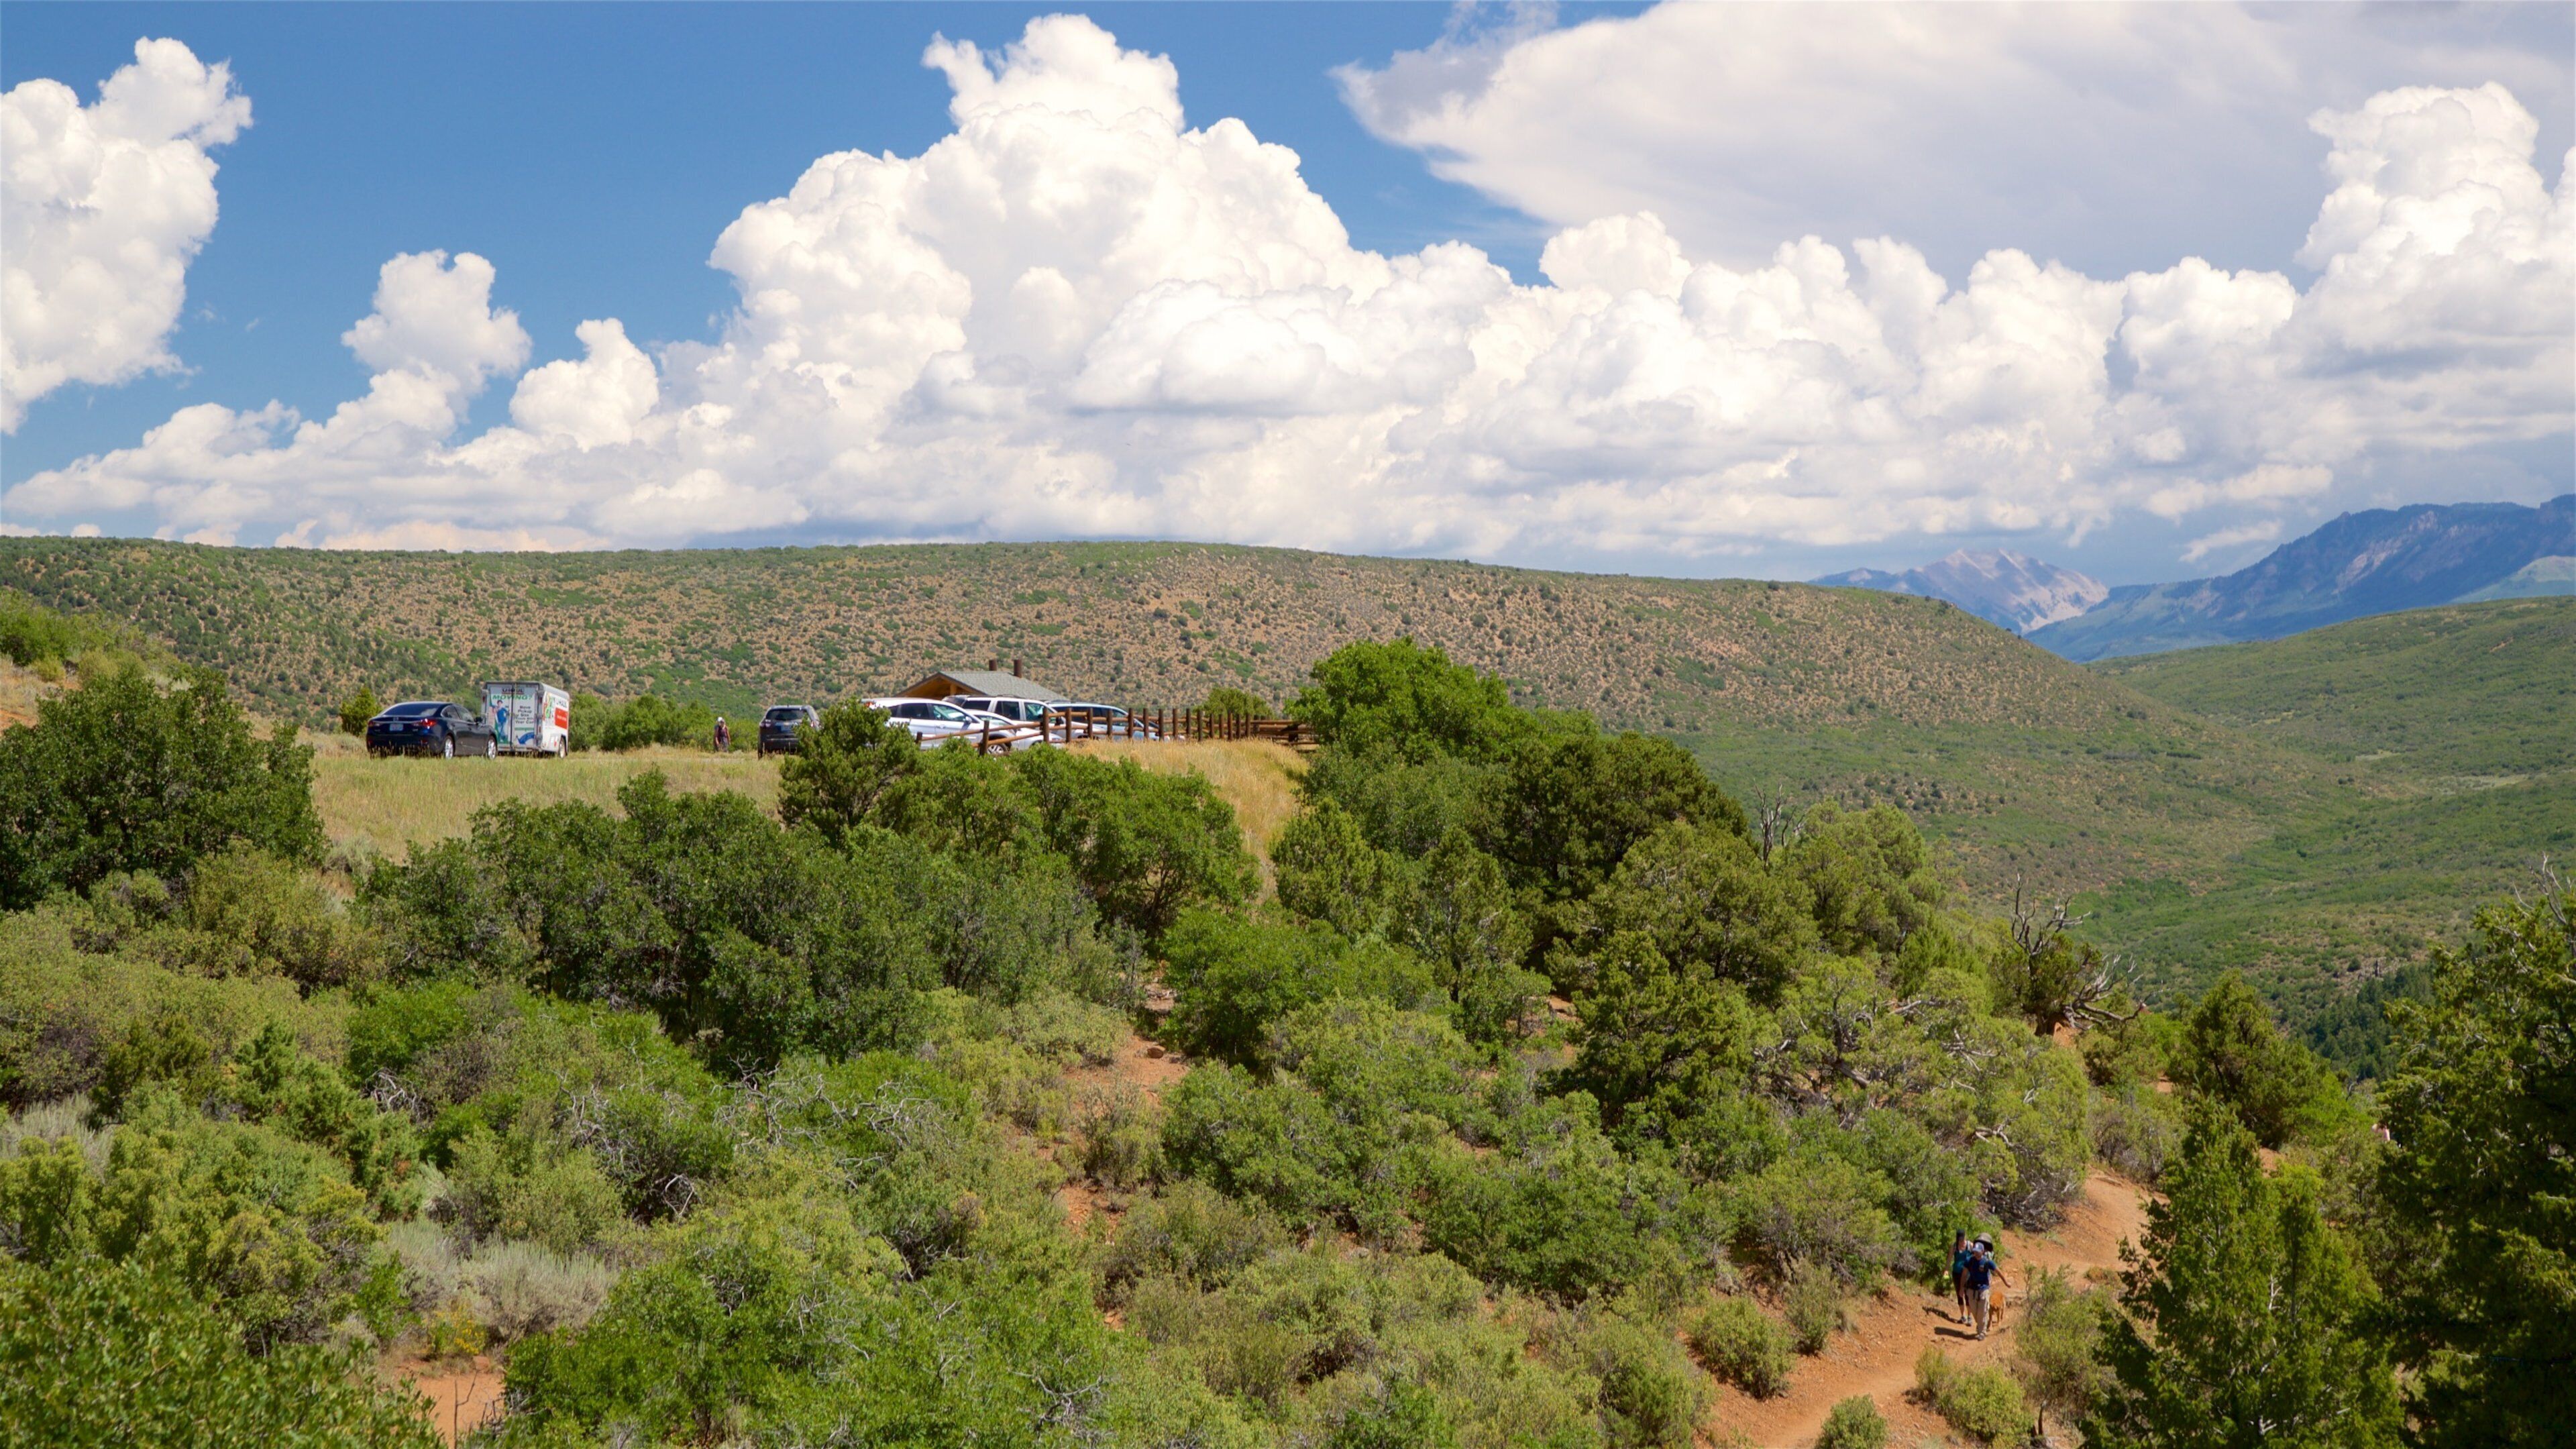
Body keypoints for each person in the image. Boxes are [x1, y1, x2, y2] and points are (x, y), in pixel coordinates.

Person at [1964, 1238, 2010, 1340]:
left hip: (1984, 1289)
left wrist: (2006, 1282)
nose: (1975, 1254)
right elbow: (1964, 1274)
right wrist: (1961, 1288)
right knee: (1974, 1310)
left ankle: (1982, 1332)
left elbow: (1998, 1271)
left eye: (1978, 1252)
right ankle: (1980, 1324)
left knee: (1983, 1310)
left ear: (1982, 1251)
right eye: (1974, 1252)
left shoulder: (1987, 1262)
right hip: (1972, 1289)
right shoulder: (1970, 1261)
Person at [1949, 1232, 1974, 1323]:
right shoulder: (1954, 1246)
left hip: (1967, 1274)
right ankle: (1962, 1316)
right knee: (1959, 1294)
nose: (1961, 1242)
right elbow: (1950, 1258)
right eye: (1960, 1240)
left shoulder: (1970, 1245)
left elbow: (1976, 1256)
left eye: (1963, 1240)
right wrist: (1946, 1269)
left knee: (1968, 1295)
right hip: (1956, 1273)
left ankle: (1969, 1316)